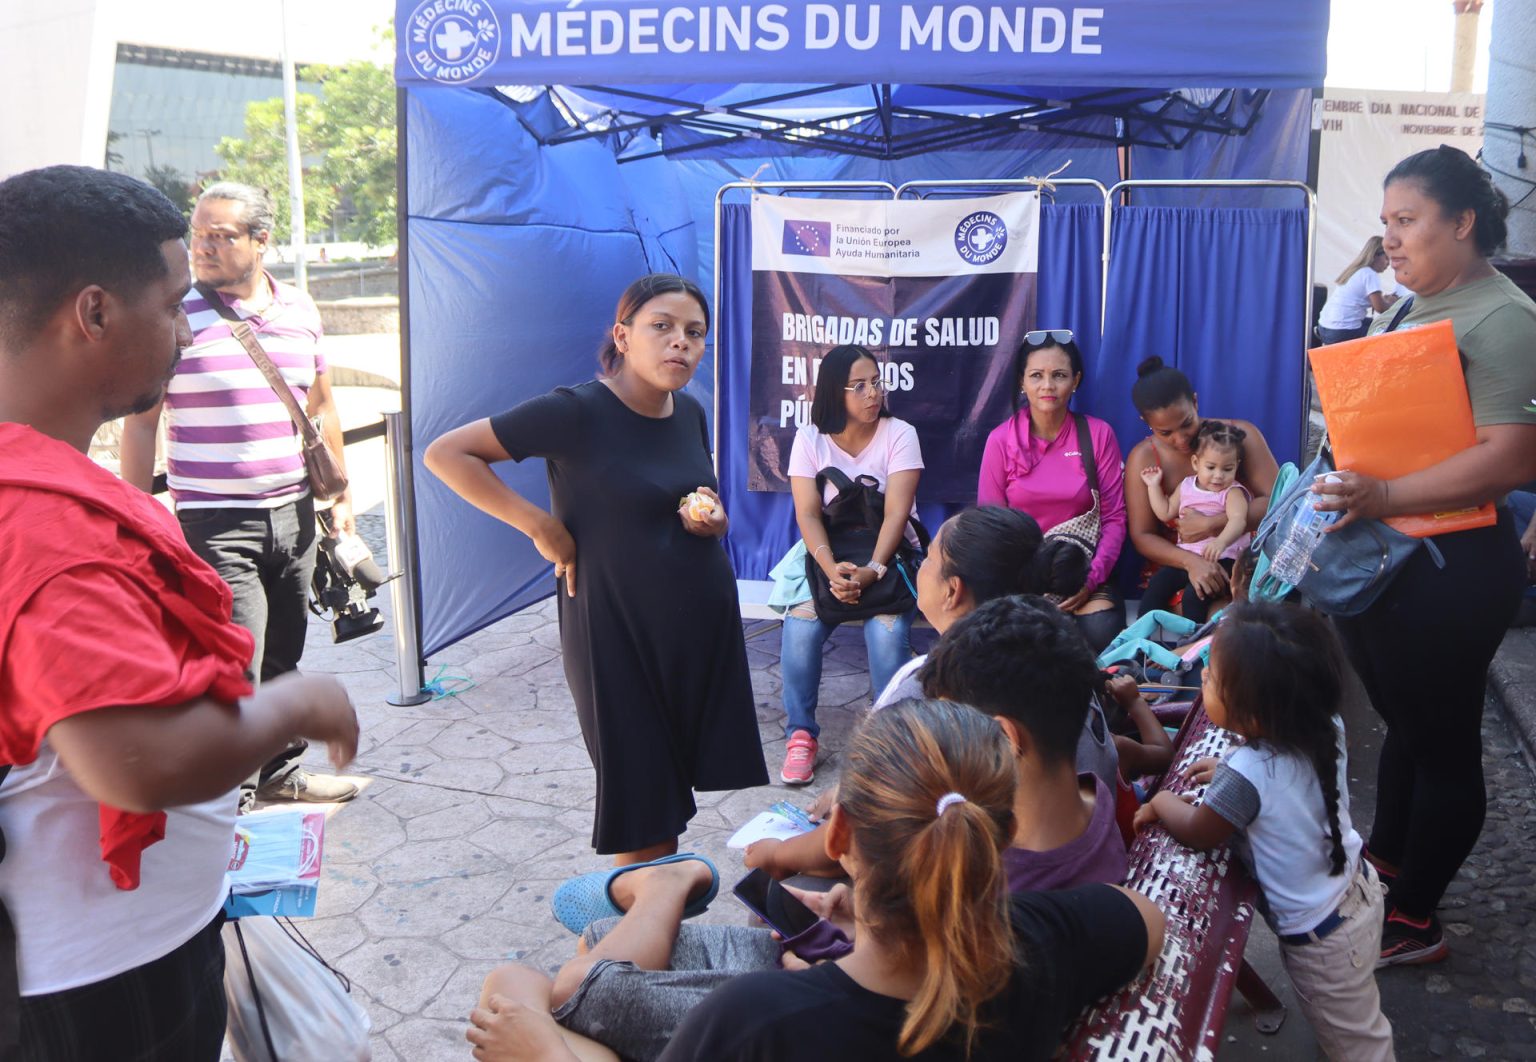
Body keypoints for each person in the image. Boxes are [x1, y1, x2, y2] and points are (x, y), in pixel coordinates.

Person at [0, 165, 359, 1060]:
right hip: (100, 984)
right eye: (170, 305)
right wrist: (296, 704)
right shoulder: (51, 528)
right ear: (93, 316)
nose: (184, 332)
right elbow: (135, 763)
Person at [467, 699, 1165, 1062]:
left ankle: (660, 892)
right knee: (553, 981)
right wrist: (866, 922)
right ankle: (649, 904)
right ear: (999, 838)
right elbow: (1148, 919)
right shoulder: (1038, 947)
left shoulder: (758, 1024)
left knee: (517, 995)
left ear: (837, 839)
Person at [424, 273, 767, 865]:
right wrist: (539, 525)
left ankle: (652, 932)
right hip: (616, 634)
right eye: (661, 326)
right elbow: (447, 454)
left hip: (696, 630)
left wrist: (716, 522)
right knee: (642, 809)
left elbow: (701, 499)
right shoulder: (576, 411)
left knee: (671, 802)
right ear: (623, 335)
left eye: (694, 332)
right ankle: (628, 943)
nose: (679, 342)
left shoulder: (688, 412)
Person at [1312, 146, 1536, 965]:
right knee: (1403, 727)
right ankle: (1388, 864)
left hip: (1453, 571)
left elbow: (1513, 456)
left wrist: (1384, 498)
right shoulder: (1409, 306)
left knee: (1441, 743)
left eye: (1407, 222)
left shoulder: (1504, 317)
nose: (1391, 242)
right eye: (1386, 225)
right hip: (1387, 564)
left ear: (1463, 223)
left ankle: (1415, 917)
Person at [119, 181, 357, 806]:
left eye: (221, 235)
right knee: (236, 664)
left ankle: (279, 773)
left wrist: (339, 499)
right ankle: (234, 799)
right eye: (198, 234)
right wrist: (133, 512)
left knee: (282, 654)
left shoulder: (301, 309)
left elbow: (321, 406)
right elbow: (142, 422)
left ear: (261, 242)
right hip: (215, 523)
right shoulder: (176, 314)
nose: (204, 247)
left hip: (296, 514)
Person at [746, 506, 1112, 880]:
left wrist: (779, 854)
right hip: (1060, 862)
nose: (920, 565)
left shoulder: (932, 684)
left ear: (953, 590)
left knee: (777, 885)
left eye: (929, 557)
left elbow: (864, 828)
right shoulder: (1059, 655)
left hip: (971, 882)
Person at [1135, 603, 1393, 1061]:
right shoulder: (1322, 725)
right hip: (1358, 892)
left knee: (1360, 1046)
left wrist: (1159, 802)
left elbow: (1198, 830)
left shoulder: (1249, 774)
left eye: (1211, 679)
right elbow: (1280, 780)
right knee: (1359, 1014)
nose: (1205, 684)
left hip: (1323, 941)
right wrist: (1231, 768)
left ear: (1254, 716)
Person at [775, 344, 923, 785]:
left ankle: (888, 740)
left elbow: (897, 513)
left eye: (876, 382)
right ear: (833, 393)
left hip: (889, 555)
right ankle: (800, 733)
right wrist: (828, 567)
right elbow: (807, 514)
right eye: (859, 386)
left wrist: (873, 570)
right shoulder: (810, 438)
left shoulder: (901, 433)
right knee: (799, 628)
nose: (872, 393)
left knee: (886, 634)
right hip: (828, 555)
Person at [919, 596, 1130, 892]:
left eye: (951, 726)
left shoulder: (991, 889)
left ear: (1005, 738)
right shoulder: (1093, 795)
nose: (946, 746)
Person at [978, 329, 1127, 650]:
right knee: (1023, 635)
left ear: (1076, 380)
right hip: (1021, 575)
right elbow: (991, 529)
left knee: (1101, 628)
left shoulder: (1098, 435)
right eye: (1036, 376)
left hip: (1084, 568)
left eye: (1059, 375)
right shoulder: (1000, 441)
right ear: (1022, 382)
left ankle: (1098, 702)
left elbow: (1114, 519)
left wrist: (1090, 582)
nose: (1047, 385)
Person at [1123, 356, 1278, 615]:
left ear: (1195, 402)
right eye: (1165, 432)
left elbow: (1278, 501)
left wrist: (1213, 524)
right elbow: (1143, 535)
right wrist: (1191, 562)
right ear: (1146, 422)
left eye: (1186, 423)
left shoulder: (1239, 437)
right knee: (1197, 604)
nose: (1181, 439)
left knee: (1227, 615)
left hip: (1241, 556)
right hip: (1178, 564)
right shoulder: (1144, 458)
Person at [1138, 420, 1252, 622]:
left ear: (1236, 466)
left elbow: (1238, 520)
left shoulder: (1232, 492)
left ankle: (1192, 643)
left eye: (1227, 469)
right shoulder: (1186, 486)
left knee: (1195, 594)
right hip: (1188, 558)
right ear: (1195, 463)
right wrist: (1153, 486)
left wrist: (1221, 541)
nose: (1218, 476)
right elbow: (1165, 512)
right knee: (1158, 583)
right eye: (1211, 467)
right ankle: (1138, 633)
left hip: (1225, 561)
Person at [1316, 236, 1401, 344]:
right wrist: (1395, 303)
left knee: (1374, 323)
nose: (1388, 264)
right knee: (1386, 330)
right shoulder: (1370, 274)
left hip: (1325, 328)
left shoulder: (1356, 271)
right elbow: (1381, 308)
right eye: (1386, 258)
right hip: (1341, 332)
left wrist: (1385, 300)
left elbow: (1358, 300)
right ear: (1375, 255)